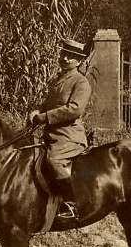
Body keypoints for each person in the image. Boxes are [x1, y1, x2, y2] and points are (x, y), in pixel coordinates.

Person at [29, 38, 91, 219]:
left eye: (71, 56)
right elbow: (49, 105)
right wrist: (36, 112)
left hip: (68, 135)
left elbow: (74, 109)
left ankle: (71, 203)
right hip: (50, 134)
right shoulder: (57, 80)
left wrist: (44, 117)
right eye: (64, 54)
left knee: (53, 160)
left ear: (79, 61)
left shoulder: (81, 82)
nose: (65, 58)